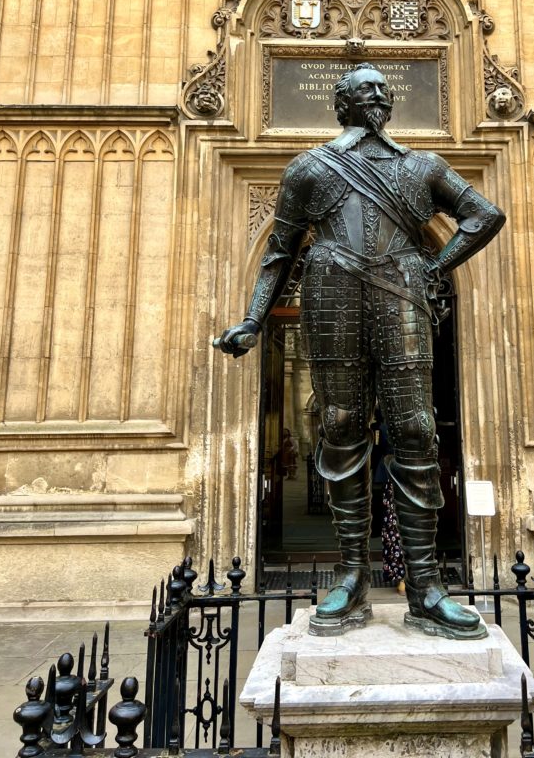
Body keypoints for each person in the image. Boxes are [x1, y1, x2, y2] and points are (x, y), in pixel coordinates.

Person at [216, 63, 505, 637]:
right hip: (330, 292)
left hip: (400, 291)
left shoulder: (421, 166)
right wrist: (253, 320)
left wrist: (435, 267)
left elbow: (484, 215)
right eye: (363, 90)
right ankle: (350, 576)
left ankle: (424, 584)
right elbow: (278, 251)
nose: (377, 98)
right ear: (342, 105)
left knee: (416, 427)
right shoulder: (310, 168)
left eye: (383, 90)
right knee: (342, 423)